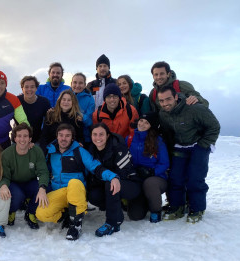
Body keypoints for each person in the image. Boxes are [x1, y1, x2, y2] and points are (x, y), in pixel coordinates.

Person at [36, 123, 120, 241]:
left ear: (72, 138)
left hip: (76, 191)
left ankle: (75, 224)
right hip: (59, 192)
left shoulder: (79, 151)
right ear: (57, 136)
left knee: (74, 182)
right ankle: (66, 215)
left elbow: (95, 167)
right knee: (41, 213)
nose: (63, 139)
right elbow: (42, 170)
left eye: (67, 136)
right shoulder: (50, 152)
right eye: (61, 135)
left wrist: (113, 177)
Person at [158, 86, 220, 223]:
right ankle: (177, 207)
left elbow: (214, 126)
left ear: (175, 97)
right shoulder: (163, 114)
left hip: (198, 145)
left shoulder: (194, 108)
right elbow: (167, 133)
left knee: (195, 178)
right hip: (179, 147)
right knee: (175, 177)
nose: (165, 103)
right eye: (161, 101)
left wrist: (203, 145)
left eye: (168, 99)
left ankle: (197, 208)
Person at [87, 123, 145, 236]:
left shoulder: (118, 147)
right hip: (109, 185)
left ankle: (113, 222)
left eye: (101, 134)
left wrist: (109, 177)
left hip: (131, 183)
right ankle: (116, 206)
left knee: (136, 214)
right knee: (93, 195)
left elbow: (124, 172)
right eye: (95, 134)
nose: (98, 138)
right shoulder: (91, 149)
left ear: (107, 135)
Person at [0, 123, 50, 229]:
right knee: (18, 196)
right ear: (15, 138)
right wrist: (3, 185)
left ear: (30, 138)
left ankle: (31, 212)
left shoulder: (36, 151)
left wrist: (42, 188)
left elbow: (43, 171)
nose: (22, 139)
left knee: (46, 188)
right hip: (13, 183)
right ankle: (11, 211)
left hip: (30, 181)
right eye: (19, 136)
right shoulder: (7, 154)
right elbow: (4, 175)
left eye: (25, 136)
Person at [126, 112, 169, 223]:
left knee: (149, 183)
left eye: (146, 123)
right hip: (137, 178)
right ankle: (144, 202)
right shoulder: (129, 139)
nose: (142, 124)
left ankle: (156, 210)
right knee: (135, 216)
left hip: (156, 179)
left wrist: (152, 172)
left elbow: (165, 163)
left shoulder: (157, 141)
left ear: (151, 126)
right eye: (141, 121)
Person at [16, 76, 51, 143]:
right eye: (26, 87)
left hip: (37, 141)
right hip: (18, 140)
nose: (29, 89)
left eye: (32, 87)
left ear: (36, 88)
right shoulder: (16, 101)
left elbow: (49, 123)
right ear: (22, 88)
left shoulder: (44, 102)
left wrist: (43, 139)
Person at [70, 72, 95, 147]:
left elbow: (90, 121)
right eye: (75, 82)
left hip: (85, 138)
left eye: (80, 83)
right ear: (71, 84)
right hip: (68, 136)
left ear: (84, 85)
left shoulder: (90, 99)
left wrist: (83, 117)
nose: (77, 86)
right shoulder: (67, 96)